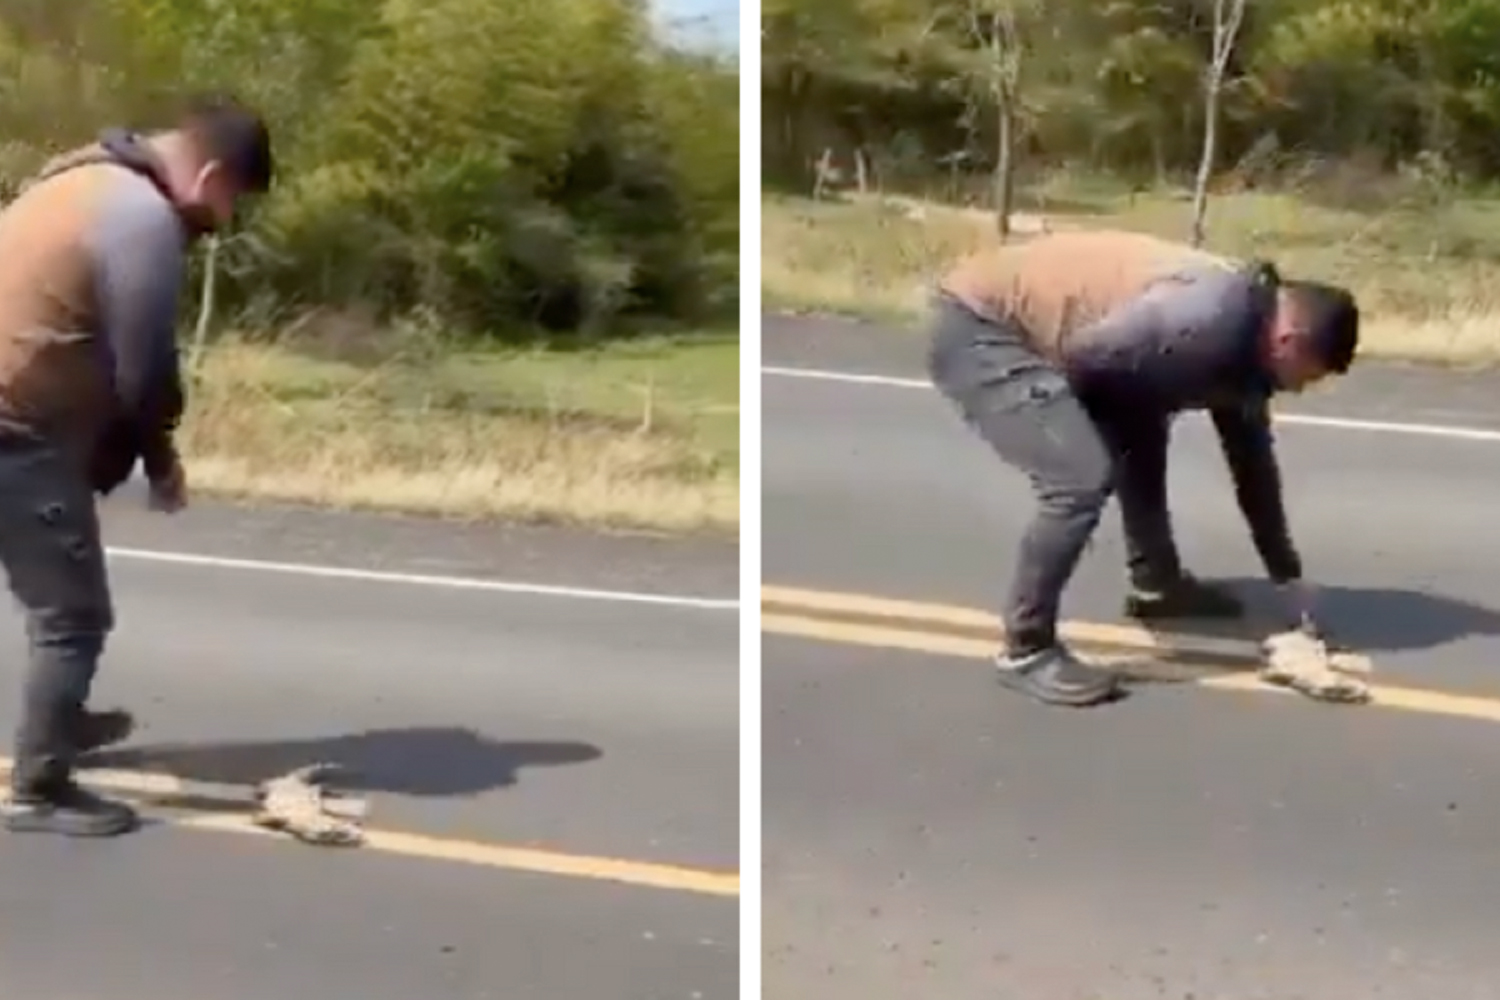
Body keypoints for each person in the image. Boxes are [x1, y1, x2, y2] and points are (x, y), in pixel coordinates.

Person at [927, 229, 1360, 708]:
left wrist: (1286, 576)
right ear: (1289, 342)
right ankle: (1025, 649)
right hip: (982, 328)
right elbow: (1084, 361)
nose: (1300, 390)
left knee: (1141, 421)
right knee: (1079, 478)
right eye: (1310, 376)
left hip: (1091, 345)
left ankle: (1156, 585)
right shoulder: (1204, 326)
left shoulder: (1245, 337)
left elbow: (1250, 460)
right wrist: (1091, 440)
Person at [0, 94, 273, 836]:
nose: (221, 221)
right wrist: (158, 460)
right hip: (13, 434)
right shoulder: (141, 219)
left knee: (57, 595)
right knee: (73, 618)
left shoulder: (78, 177)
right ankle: (39, 788)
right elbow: (145, 369)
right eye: (230, 201)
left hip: (21, 426)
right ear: (212, 173)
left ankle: (57, 719)